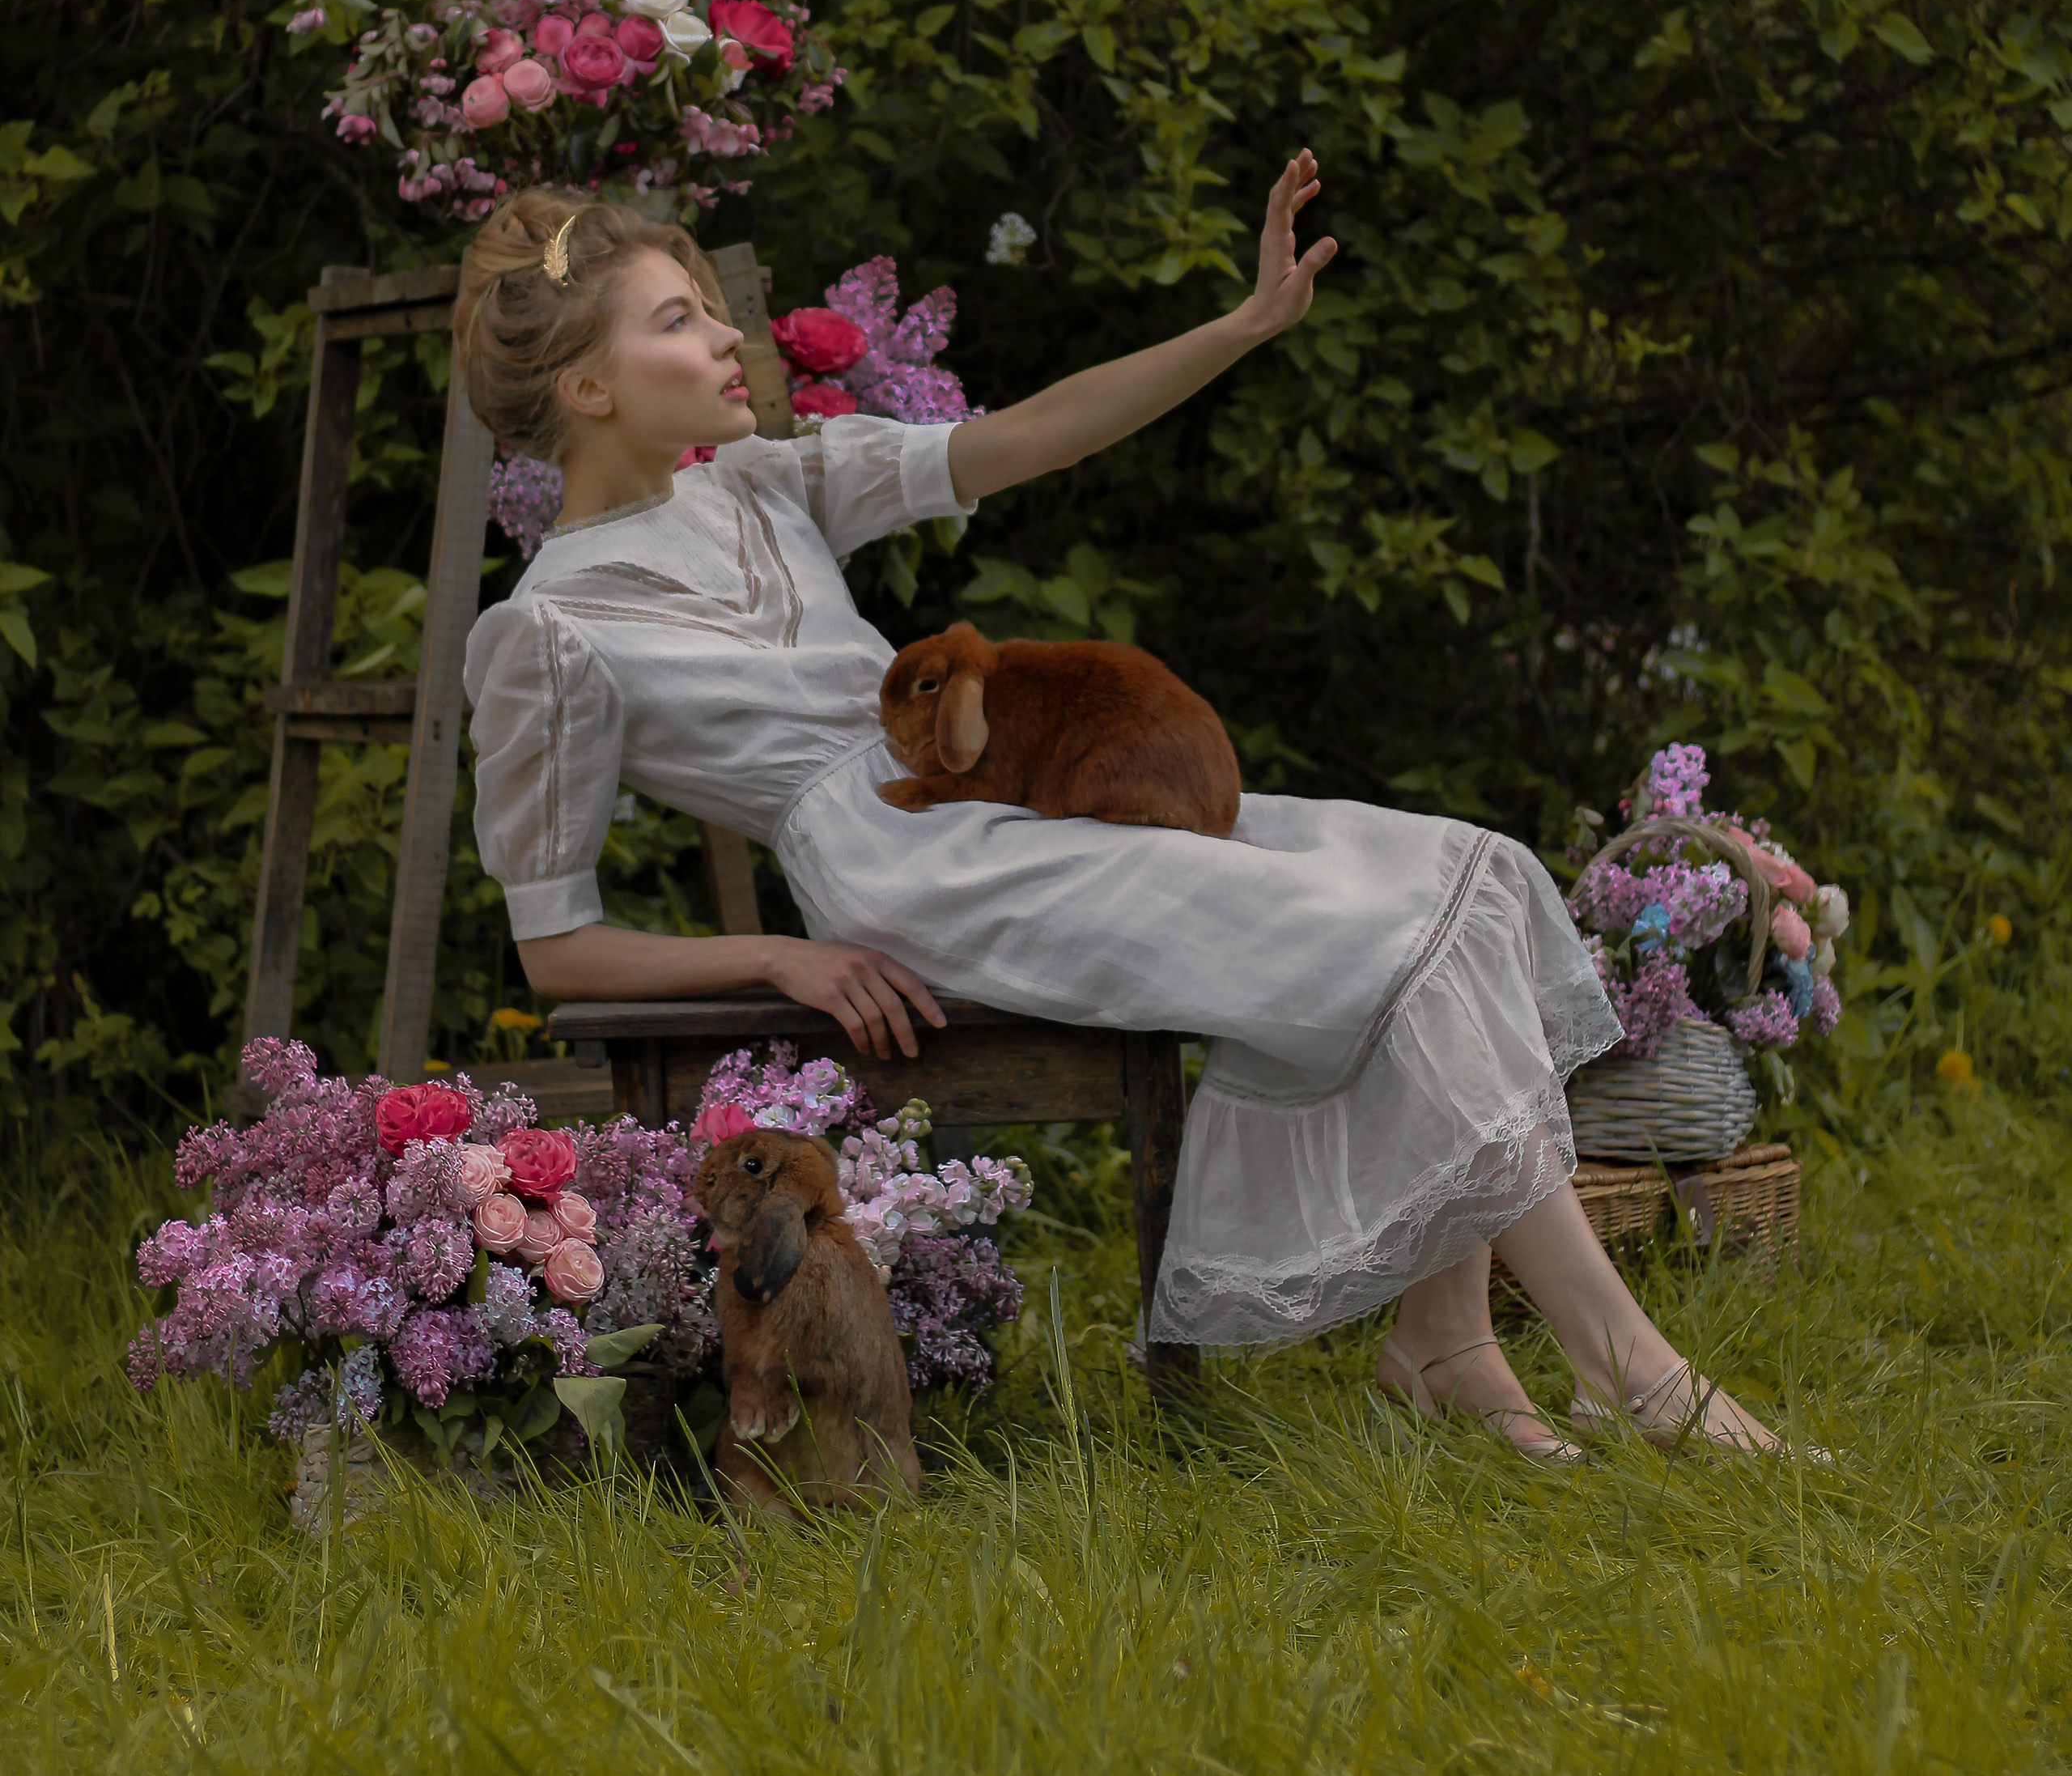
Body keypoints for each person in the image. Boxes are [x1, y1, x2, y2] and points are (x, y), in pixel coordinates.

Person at [458, 161, 1797, 1458]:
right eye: (680, 319)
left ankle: (1445, 1351)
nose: (728, 335)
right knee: (1359, 933)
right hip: (911, 872)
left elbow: (1031, 434)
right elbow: (556, 947)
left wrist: (1245, 321)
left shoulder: (761, 484)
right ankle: (1631, 1365)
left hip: (998, 801)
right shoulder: (548, 635)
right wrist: (779, 953)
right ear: (584, 385)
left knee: (1464, 870)